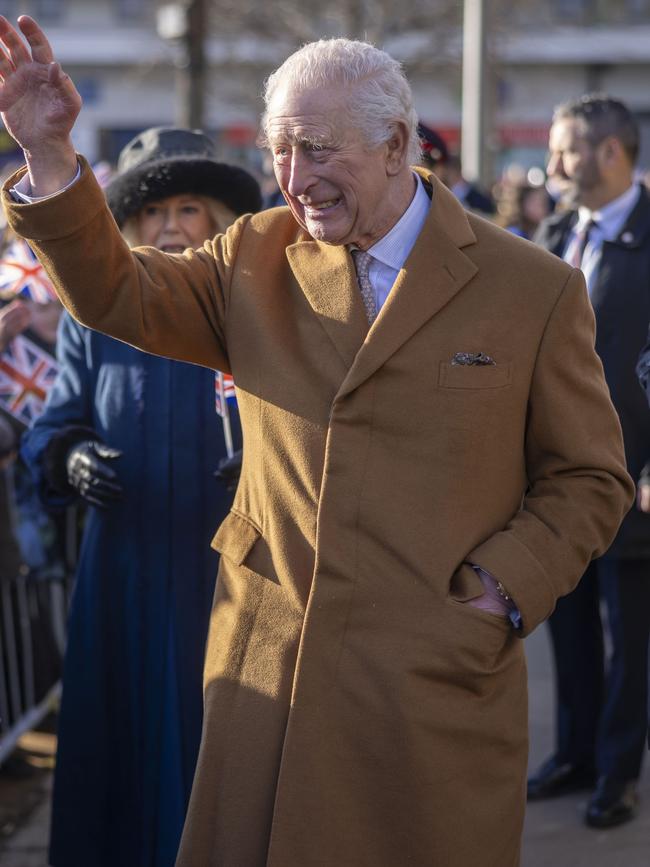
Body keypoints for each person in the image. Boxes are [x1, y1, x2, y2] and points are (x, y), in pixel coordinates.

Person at [0, 16, 634, 867]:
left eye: (317, 148)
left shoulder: (534, 288)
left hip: (430, 689)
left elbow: (590, 478)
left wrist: (500, 593)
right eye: (279, 151)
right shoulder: (254, 255)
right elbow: (118, 292)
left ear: (396, 144)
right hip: (268, 682)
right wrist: (47, 157)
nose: (295, 180)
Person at [18, 126, 261, 867]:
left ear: (217, 219)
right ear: (123, 226)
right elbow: (54, 423)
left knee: (222, 742)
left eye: (188, 208)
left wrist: (266, 459)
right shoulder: (93, 323)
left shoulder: (256, 309)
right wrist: (71, 454)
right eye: (151, 211)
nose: (168, 226)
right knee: (115, 750)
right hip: (120, 574)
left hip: (228, 576)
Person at [527, 93, 650, 829]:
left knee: (627, 637)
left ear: (611, 153)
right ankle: (573, 751)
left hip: (631, 482)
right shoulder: (551, 233)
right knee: (565, 622)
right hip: (551, 480)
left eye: (565, 148)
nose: (551, 164)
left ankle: (616, 770)